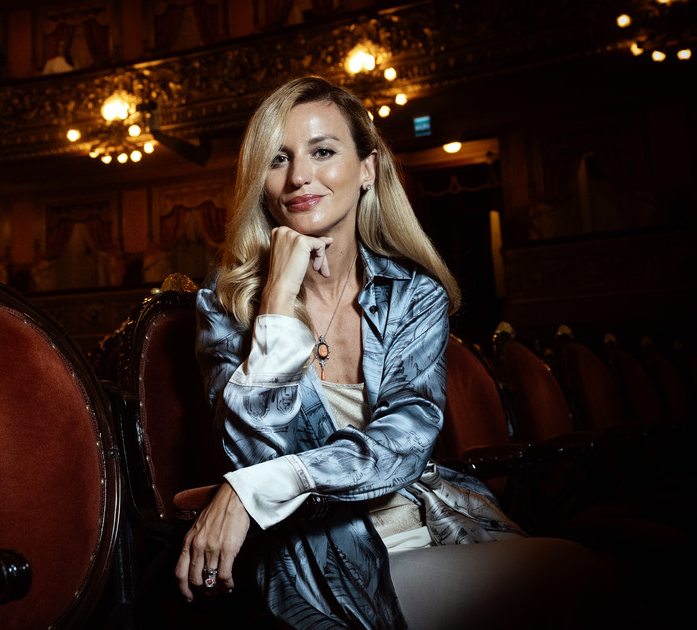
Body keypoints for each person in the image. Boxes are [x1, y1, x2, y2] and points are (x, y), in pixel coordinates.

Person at [174, 76, 635, 629]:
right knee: (576, 575)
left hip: (429, 524)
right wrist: (276, 304)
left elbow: (405, 440)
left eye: (323, 151)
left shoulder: (414, 295)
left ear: (367, 169)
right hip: (316, 558)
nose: (299, 177)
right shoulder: (229, 300)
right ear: (261, 181)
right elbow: (248, 451)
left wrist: (257, 488)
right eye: (278, 159)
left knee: (596, 580)